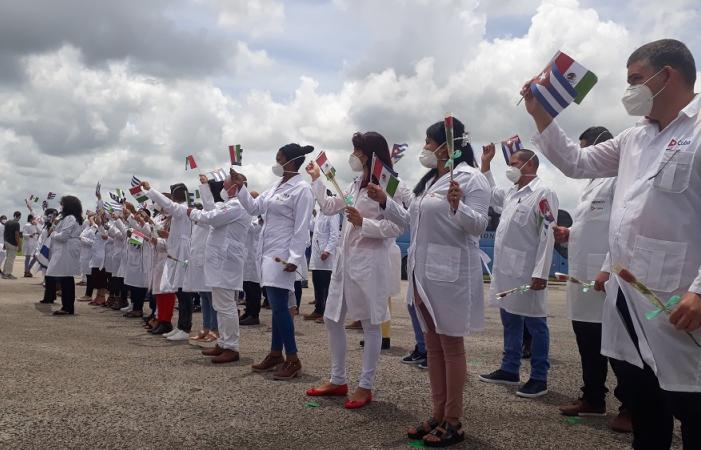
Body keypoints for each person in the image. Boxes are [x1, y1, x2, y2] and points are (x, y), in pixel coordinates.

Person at [525, 39, 701, 450]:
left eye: (636, 79)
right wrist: (541, 113)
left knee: (693, 406)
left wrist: (699, 290)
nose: (630, 89)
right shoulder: (633, 139)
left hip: (677, 300)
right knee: (646, 406)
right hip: (629, 300)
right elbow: (576, 162)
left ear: (667, 75)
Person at [370, 119, 490, 446]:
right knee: (433, 347)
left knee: (451, 347)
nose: (425, 147)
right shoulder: (430, 181)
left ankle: (453, 420)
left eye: (428, 141)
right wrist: (385, 202)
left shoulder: (472, 178)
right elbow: (411, 220)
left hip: (452, 275)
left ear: (447, 145)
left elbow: (478, 225)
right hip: (424, 276)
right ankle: (437, 413)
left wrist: (458, 206)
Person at [304, 131, 405, 409]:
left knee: (371, 325)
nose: (355, 156)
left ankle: (366, 385)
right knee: (332, 318)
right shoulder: (354, 184)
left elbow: (398, 226)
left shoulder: (392, 184)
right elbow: (327, 207)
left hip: (370, 264)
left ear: (372, 154)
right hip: (346, 262)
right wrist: (316, 180)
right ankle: (338, 380)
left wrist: (364, 223)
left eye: (359, 151)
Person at [552, 126, 632, 432]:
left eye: (587, 149)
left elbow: (622, 228)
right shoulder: (590, 185)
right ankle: (594, 398)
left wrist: (607, 268)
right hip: (581, 277)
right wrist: (568, 233)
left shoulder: (617, 180)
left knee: (617, 346)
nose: (585, 157)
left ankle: (630, 406)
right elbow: (591, 227)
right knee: (587, 340)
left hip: (605, 276)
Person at [478, 144, 558, 399]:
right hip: (506, 272)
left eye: (513, 164)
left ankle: (539, 377)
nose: (510, 168)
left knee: (535, 323)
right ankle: (510, 368)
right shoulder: (513, 193)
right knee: (509, 319)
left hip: (527, 272)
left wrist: (541, 272)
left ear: (529, 165)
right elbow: (490, 192)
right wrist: (486, 164)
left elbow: (548, 233)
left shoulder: (543, 193)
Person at [231, 143, 314, 380]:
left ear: (291, 161)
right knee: (277, 306)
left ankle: (293, 358)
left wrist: (295, 258)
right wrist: (241, 186)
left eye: (280, 159)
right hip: (267, 253)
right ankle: (276, 353)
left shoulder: (302, 190)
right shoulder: (276, 186)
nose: (276, 164)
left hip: (283, 255)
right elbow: (255, 207)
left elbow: (301, 227)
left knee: (279, 307)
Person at [187, 173, 250, 363]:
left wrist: (191, 212)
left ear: (234, 187)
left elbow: (212, 217)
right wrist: (205, 187)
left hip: (226, 263)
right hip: (221, 263)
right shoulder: (230, 204)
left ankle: (231, 347)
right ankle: (223, 342)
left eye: (225, 184)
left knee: (226, 307)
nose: (222, 186)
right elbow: (212, 208)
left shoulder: (237, 205)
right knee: (221, 306)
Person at [143, 182, 194, 341]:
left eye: (173, 196)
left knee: (184, 292)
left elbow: (166, 203)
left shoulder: (182, 209)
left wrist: (150, 189)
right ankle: (180, 326)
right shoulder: (179, 211)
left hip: (181, 253)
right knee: (179, 290)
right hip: (175, 252)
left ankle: (185, 328)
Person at [184, 176, 216, 342]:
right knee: (204, 297)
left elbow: (209, 206)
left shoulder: (210, 215)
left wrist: (204, 186)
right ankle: (205, 327)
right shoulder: (199, 219)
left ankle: (214, 329)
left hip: (208, 261)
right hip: (198, 262)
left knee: (211, 298)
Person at [304, 196, 340, 322]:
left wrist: (328, 250)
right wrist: (307, 213)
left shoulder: (333, 213)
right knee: (317, 283)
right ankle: (318, 309)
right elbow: (313, 228)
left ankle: (327, 313)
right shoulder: (320, 211)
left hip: (326, 255)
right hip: (317, 255)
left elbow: (335, 234)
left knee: (326, 285)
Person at [46, 196, 84, 315]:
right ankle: (67, 306)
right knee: (64, 277)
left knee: (66, 278)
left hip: (67, 249)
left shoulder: (70, 218)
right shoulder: (68, 218)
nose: (61, 207)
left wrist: (53, 234)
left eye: (62, 204)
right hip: (66, 249)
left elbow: (63, 236)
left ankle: (67, 307)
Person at [240, 207, 263, 326]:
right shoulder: (248, 215)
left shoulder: (259, 217)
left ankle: (254, 315)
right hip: (247, 255)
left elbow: (254, 228)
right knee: (247, 286)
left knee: (254, 287)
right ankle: (248, 311)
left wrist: (243, 219)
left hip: (254, 257)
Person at [2, 211, 22, 279]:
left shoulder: (7, 222)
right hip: (12, 243)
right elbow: (17, 235)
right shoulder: (17, 224)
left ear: (14, 215)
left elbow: (4, 233)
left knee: (7, 259)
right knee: (10, 260)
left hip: (7, 242)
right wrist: (19, 245)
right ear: (19, 216)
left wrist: (5, 243)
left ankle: (4, 273)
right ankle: (8, 274)